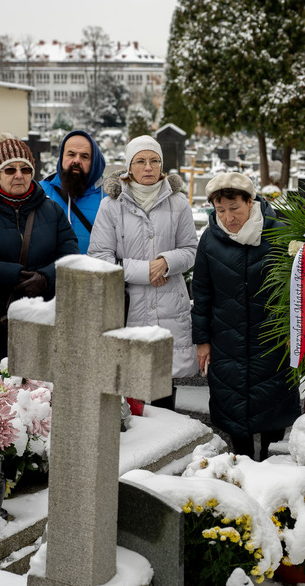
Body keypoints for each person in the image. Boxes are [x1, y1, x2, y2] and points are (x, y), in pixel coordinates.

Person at [191, 173, 299, 460]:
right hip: (227, 340)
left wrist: (293, 330)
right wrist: (202, 340)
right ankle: (241, 464)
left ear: (251, 202)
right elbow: (201, 293)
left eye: (235, 208)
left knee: (272, 410)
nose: (228, 218)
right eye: (220, 210)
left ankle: (269, 463)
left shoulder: (280, 233)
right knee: (233, 410)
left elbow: (295, 287)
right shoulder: (210, 240)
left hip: (273, 339)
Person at [88, 136, 198, 407]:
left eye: (154, 161)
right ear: (129, 167)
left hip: (169, 306)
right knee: (132, 396)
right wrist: (145, 270)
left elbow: (191, 250)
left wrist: (166, 262)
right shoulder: (111, 205)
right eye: (141, 161)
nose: (148, 167)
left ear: (161, 166)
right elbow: (99, 257)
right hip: (130, 307)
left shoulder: (178, 203)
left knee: (164, 393)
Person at [0, 135, 79, 364]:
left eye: (25, 169)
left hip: (44, 312)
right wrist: (14, 275)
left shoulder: (52, 210)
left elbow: (71, 254)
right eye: (10, 170)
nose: (19, 175)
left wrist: (45, 277)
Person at [40, 129, 106, 254]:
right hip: (51, 272)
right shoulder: (41, 192)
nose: (76, 160)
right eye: (71, 154)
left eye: (84, 156)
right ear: (61, 157)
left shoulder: (109, 196)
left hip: (94, 271)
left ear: (94, 162)